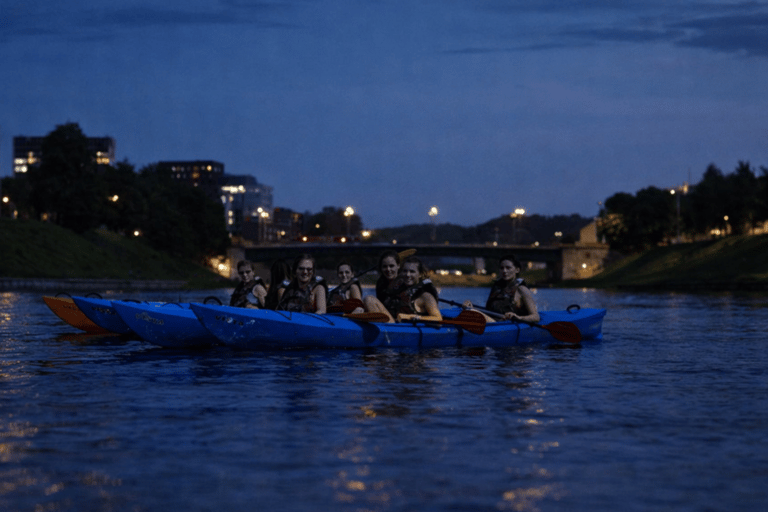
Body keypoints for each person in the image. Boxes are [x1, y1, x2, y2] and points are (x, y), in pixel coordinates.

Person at [365, 255, 442, 323]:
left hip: (398, 329)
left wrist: (410, 317)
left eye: (412, 272)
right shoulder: (400, 289)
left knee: (369, 299)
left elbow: (438, 319)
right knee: (367, 301)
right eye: (405, 271)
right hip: (394, 323)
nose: (407, 275)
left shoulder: (426, 296)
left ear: (420, 274)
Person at [464, 254, 539, 323]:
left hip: (507, 325)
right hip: (493, 323)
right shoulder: (496, 288)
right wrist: (471, 306)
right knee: (468, 310)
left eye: (508, 268)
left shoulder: (522, 289)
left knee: (472, 313)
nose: (504, 271)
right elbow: (488, 311)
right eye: (501, 268)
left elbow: (536, 317)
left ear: (517, 270)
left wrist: (518, 318)